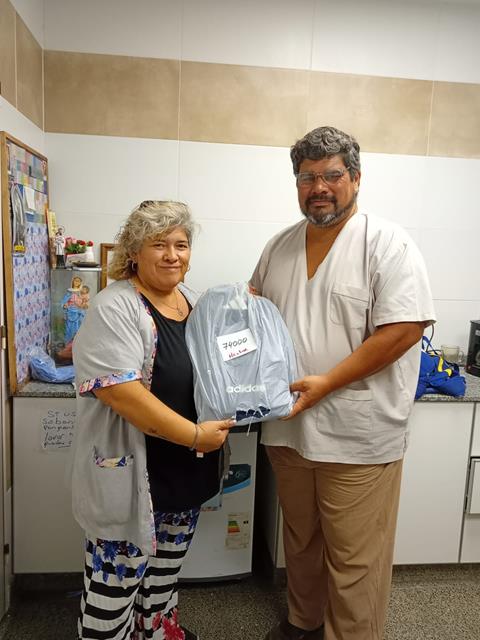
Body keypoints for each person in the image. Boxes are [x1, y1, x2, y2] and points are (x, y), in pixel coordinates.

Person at [250, 126, 435, 640]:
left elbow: (404, 329)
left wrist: (328, 382)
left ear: (355, 178)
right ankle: (303, 623)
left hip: (358, 435)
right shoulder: (279, 246)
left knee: (356, 557)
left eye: (331, 175)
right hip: (288, 428)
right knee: (300, 542)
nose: (319, 188)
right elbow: (252, 312)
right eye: (307, 177)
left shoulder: (387, 243)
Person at [71, 200, 234, 640]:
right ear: (133, 252)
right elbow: (122, 393)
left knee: (163, 579)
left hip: (185, 474)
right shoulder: (115, 307)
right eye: (159, 244)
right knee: (114, 586)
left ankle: (157, 632)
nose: (172, 255)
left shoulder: (192, 302)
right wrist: (196, 435)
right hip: (133, 478)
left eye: (181, 244)